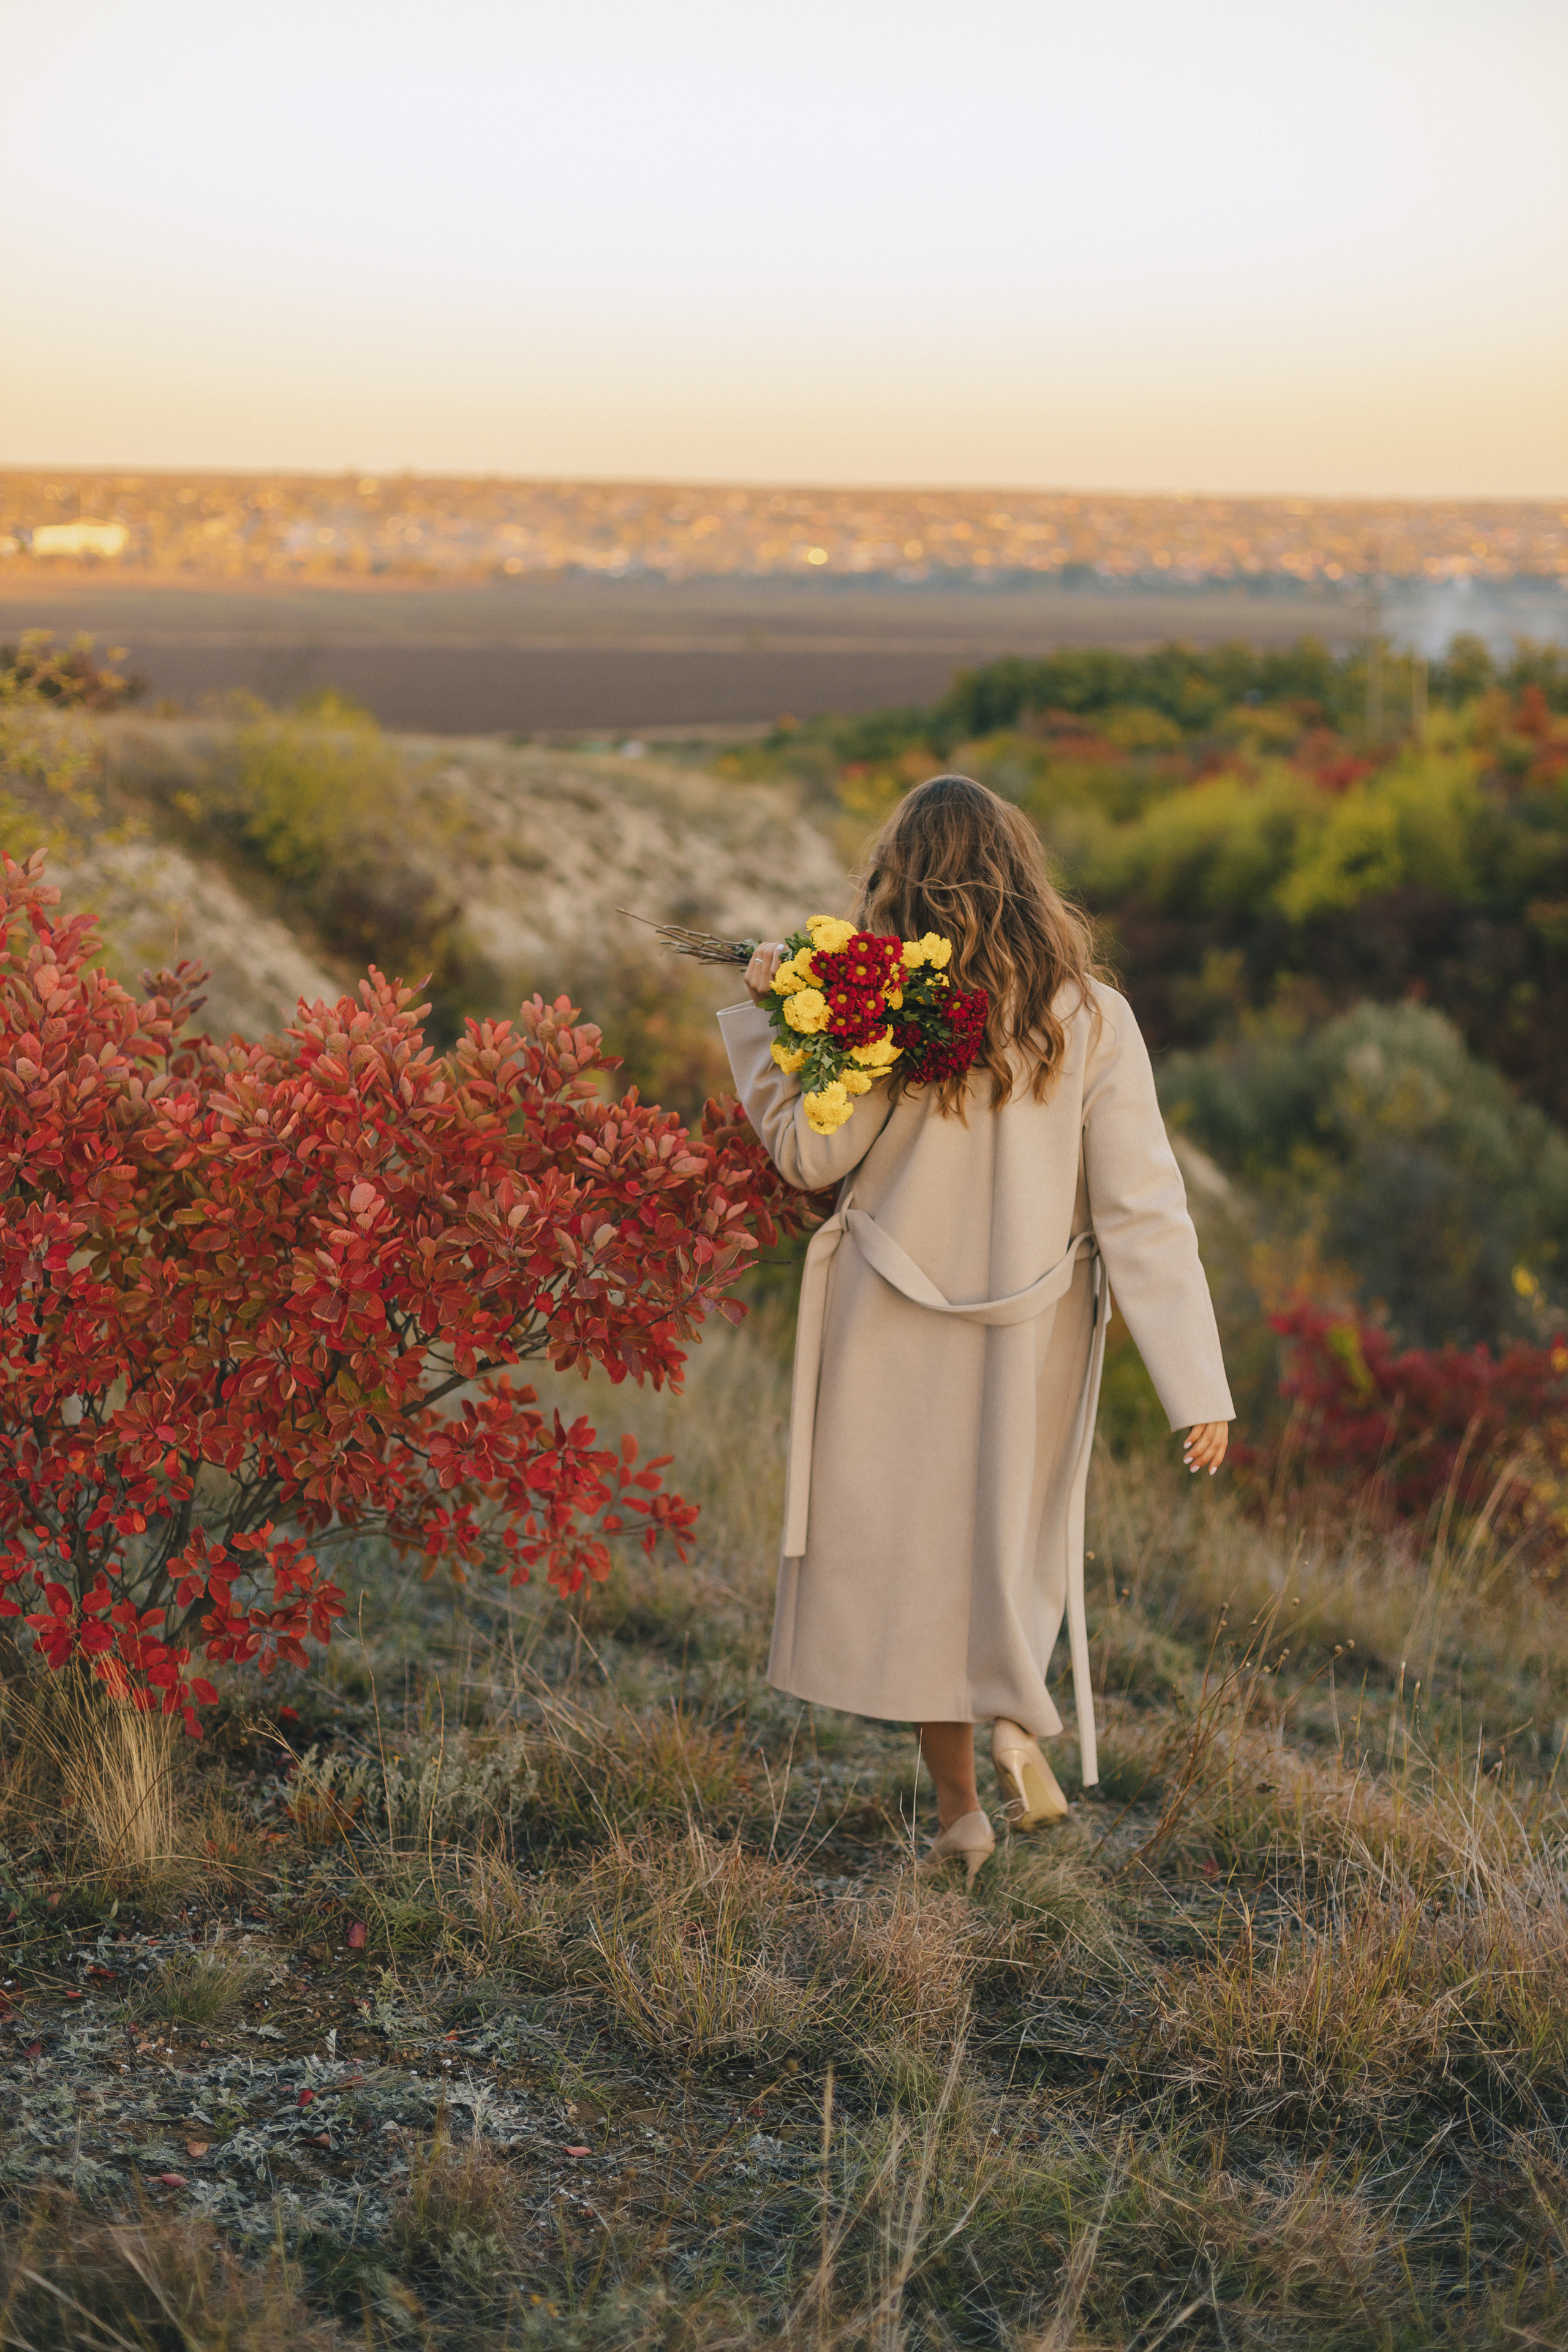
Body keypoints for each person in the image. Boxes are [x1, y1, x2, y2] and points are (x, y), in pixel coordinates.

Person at [717, 774, 1232, 1885]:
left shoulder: (876, 1007)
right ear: (1021, 876)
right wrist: (1198, 1385)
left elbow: (810, 1160)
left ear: (899, 879)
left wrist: (775, 1026)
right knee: (1003, 1548)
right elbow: (1144, 1211)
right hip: (1027, 1331)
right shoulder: (1094, 1018)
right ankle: (1010, 1716)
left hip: (887, 1323)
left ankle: (962, 1813)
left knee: (914, 1568)